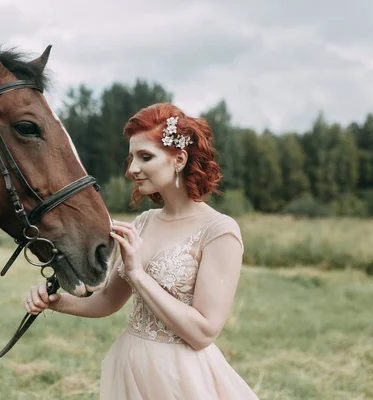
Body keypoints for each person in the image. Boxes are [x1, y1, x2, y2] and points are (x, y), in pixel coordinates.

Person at [25, 103, 259, 399]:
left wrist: (137, 274)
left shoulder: (220, 232)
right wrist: (55, 302)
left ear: (179, 159)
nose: (132, 169)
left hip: (181, 379)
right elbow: (108, 301)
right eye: (132, 157)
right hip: (131, 368)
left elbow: (203, 333)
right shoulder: (144, 223)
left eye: (145, 157)